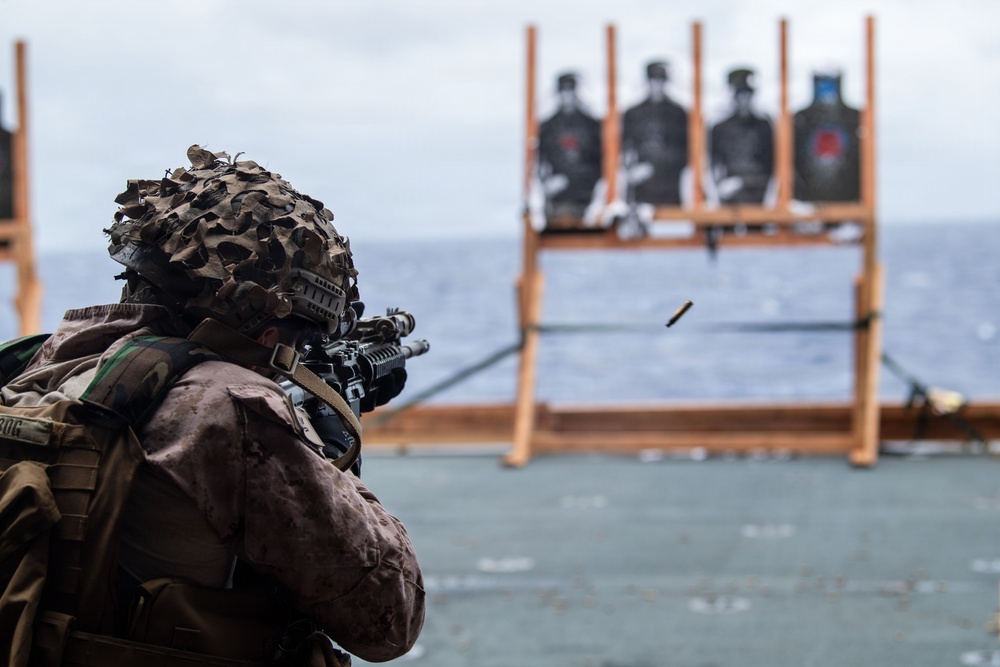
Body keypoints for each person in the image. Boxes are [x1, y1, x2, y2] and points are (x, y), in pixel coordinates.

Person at [0, 146, 424, 665]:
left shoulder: (33, 361)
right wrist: (330, 446)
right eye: (299, 343)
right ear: (267, 335)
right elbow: (391, 617)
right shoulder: (230, 406)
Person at [537, 72, 603, 230]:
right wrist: (546, 184)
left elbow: (600, 164)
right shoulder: (547, 127)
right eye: (563, 91)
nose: (567, 96)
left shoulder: (592, 126)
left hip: (586, 198)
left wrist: (567, 180)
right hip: (556, 200)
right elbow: (539, 163)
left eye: (570, 91)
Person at [621, 60, 689, 208]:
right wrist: (631, 169)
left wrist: (653, 168)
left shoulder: (678, 113)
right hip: (641, 188)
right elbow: (625, 148)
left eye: (660, 80)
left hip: (669, 186)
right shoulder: (633, 113)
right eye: (653, 80)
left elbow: (685, 153)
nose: (657, 85)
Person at [709, 68, 774, 206]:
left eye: (748, 94)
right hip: (728, 195)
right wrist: (720, 186)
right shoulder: (720, 128)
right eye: (740, 94)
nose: (744, 100)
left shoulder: (763, 127)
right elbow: (714, 164)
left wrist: (742, 182)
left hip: (757, 194)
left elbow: (770, 166)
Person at [793, 70, 861, 202]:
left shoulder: (854, 118)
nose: (827, 97)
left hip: (846, 199)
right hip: (809, 200)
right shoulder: (801, 119)